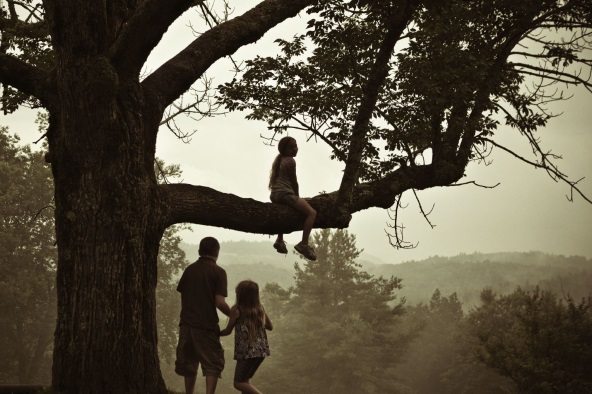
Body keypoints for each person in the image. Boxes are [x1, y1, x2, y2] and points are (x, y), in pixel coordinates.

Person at [175, 236, 231, 394]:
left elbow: (183, 295)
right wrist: (234, 314)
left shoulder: (190, 269)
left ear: (200, 250)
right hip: (206, 326)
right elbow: (220, 302)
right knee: (212, 364)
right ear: (217, 252)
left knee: (189, 364)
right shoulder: (219, 272)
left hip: (186, 324)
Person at [219, 280, 273, 394]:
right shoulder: (260, 309)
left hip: (247, 352)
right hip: (261, 351)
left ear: (240, 294)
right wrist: (256, 321)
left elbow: (228, 331)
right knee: (245, 382)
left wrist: (215, 333)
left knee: (238, 383)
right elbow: (270, 326)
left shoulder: (236, 310)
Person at [269, 136, 317, 260]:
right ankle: (304, 244)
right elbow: (294, 182)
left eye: (295, 146)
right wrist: (297, 198)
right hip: (285, 194)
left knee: (283, 213)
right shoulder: (290, 161)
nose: (295, 149)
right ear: (284, 149)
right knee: (312, 213)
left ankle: (280, 240)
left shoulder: (279, 160)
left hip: (275, 195)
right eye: (291, 147)